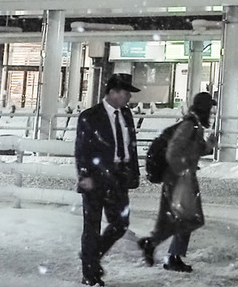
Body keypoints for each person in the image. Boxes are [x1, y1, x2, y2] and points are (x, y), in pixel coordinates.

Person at [76, 72, 142, 286]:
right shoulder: (90, 116)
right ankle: (90, 273)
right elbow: (82, 149)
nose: (128, 98)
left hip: (119, 176)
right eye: (125, 93)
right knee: (92, 226)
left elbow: (131, 146)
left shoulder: (126, 115)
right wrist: (85, 175)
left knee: (121, 223)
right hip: (96, 177)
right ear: (112, 93)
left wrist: (134, 172)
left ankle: (91, 256)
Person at [140, 92, 212, 274]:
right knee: (188, 219)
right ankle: (172, 257)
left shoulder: (194, 124)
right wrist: (182, 172)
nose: (211, 111)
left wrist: (209, 146)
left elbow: (192, 150)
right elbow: (172, 151)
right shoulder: (189, 125)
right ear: (204, 108)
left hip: (178, 177)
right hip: (179, 178)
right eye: (210, 108)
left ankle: (155, 245)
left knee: (175, 219)